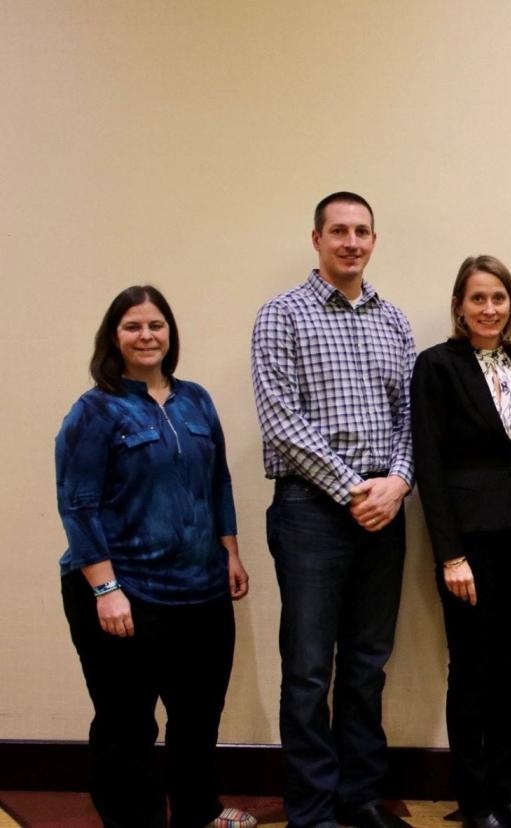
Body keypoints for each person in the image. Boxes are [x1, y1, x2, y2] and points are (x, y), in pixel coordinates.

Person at [55, 285, 255, 828]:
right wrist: (105, 588)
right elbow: (77, 503)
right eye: (133, 327)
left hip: (202, 588)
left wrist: (230, 554)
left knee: (197, 717)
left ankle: (197, 811)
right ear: (114, 338)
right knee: (127, 725)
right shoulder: (96, 409)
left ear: (170, 334)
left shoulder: (196, 399)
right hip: (126, 594)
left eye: (156, 325)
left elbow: (218, 481)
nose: (147, 336)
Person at [251, 192, 415, 828]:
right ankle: (312, 809)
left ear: (374, 240)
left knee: (368, 665)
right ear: (315, 239)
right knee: (310, 670)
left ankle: (361, 797)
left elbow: (409, 417)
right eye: (339, 231)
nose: (352, 241)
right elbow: (282, 421)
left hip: (386, 507)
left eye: (363, 231)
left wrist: (397, 481)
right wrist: (356, 489)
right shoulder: (281, 316)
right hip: (310, 512)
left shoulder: (395, 321)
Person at [411, 255, 511, 828]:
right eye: (478, 298)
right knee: (471, 672)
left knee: (510, 671)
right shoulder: (437, 366)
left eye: (498, 298)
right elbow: (429, 460)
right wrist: (450, 554)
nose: (489, 309)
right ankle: (474, 803)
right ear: (459, 306)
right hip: (468, 548)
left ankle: (507, 794)